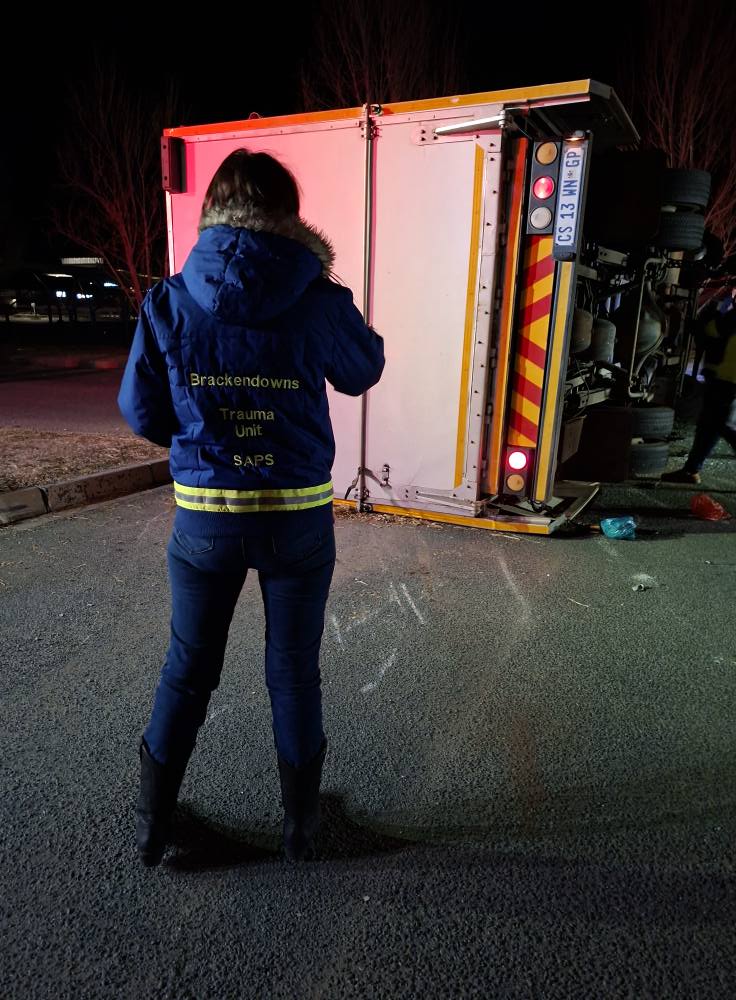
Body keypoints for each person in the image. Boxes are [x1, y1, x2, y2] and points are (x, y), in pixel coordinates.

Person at [118, 149, 385, 867]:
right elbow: (363, 370)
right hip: (296, 522)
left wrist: (204, 431)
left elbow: (140, 409)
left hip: (204, 522)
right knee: (294, 669)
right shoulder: (316, 296)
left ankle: (154, 825)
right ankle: (301, 829)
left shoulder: (169, 300)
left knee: (187, 668)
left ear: (214, 210)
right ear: (287, 214)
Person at [662, 285, 736, 484]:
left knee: (723, 425)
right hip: (724, 378)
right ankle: (691, 470)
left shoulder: (732, 317)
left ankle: (691, 470)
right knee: (708, 426)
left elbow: (712, 330)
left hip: (727, 379)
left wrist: (704, 317)